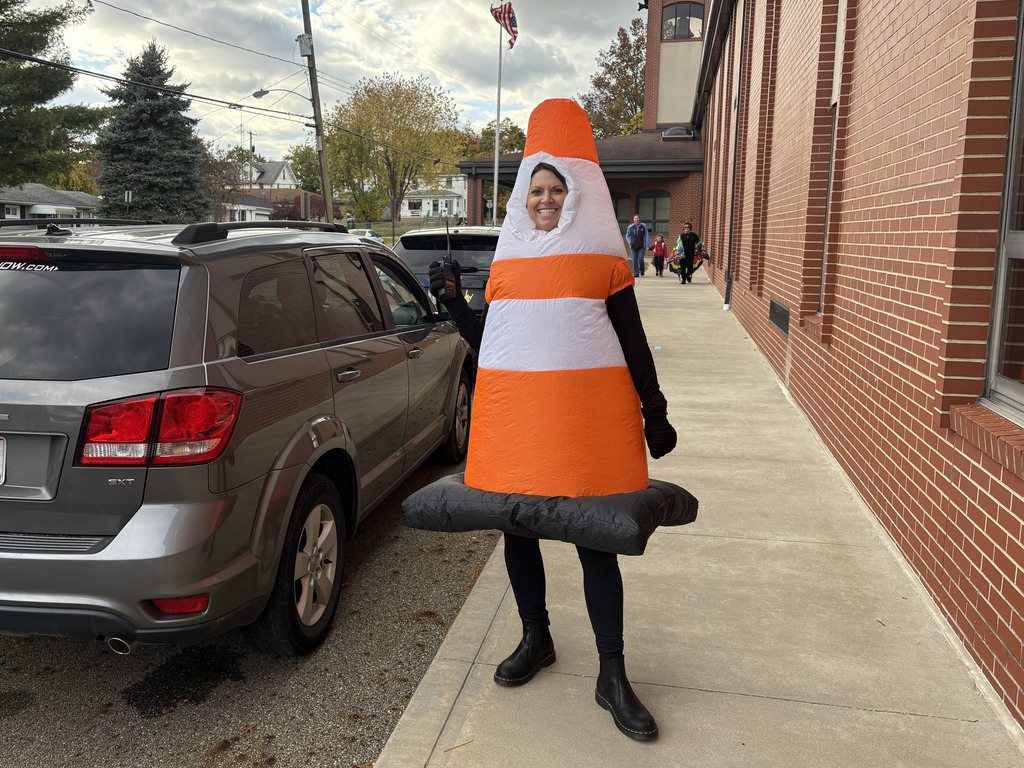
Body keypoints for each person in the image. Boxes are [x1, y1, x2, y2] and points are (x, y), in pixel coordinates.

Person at [422, 99, 678, 742]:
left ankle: (612, 673)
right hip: (523, 428)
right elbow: (493, 344)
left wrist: (654, 411)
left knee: (596, 542)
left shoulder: (602, 262)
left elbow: (634, 343)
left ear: (575, 196)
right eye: (535, 190)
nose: (545, 199)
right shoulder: (508, 268)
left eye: (555, 190)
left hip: (587, 429)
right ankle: (536, 637)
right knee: (519, 529)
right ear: (523, 198)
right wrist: (454, 303)